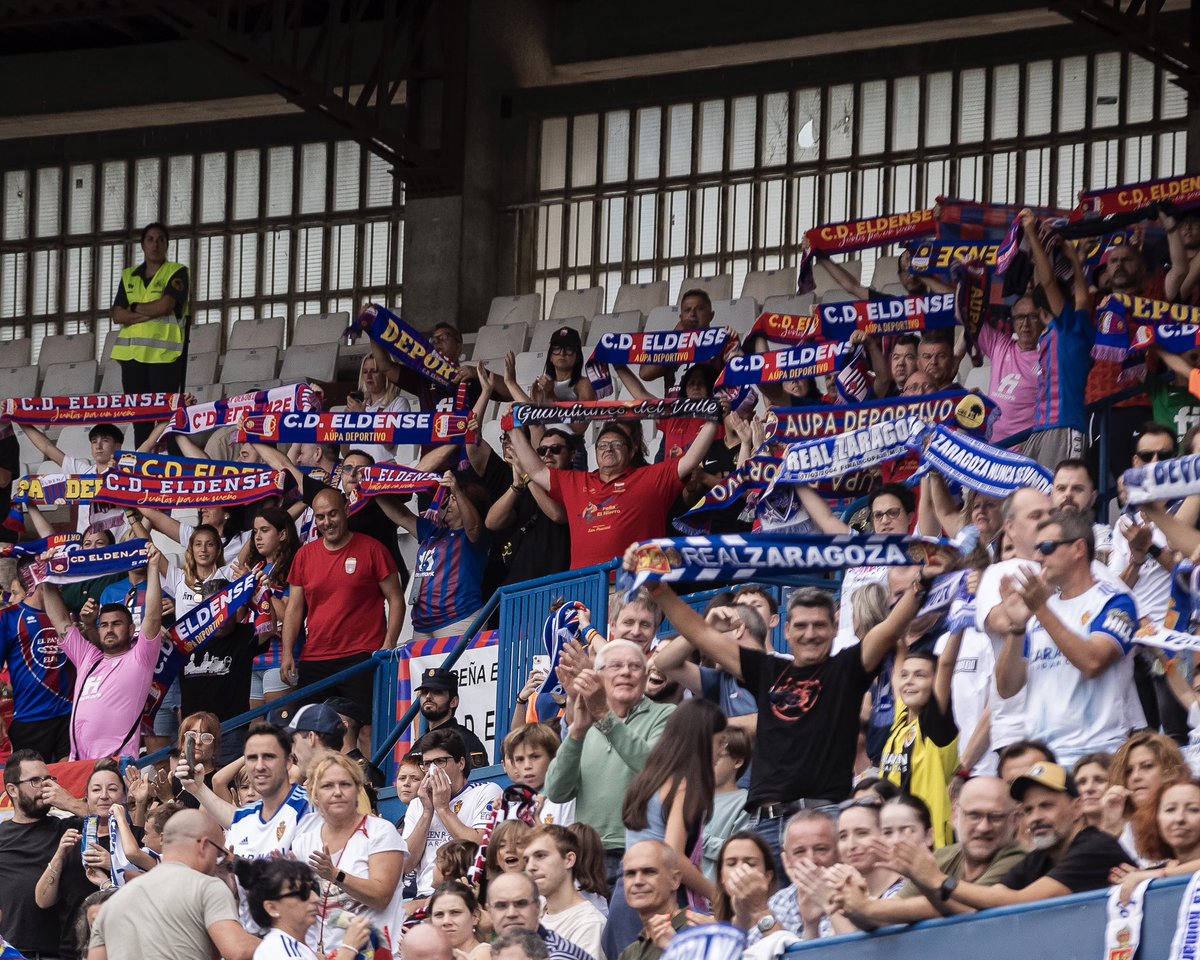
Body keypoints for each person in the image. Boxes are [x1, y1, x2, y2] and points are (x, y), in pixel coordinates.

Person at [634, 563, 921, 872]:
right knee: (761, 902)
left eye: (819, 625)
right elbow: (701, 634)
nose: (810, 634)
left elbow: (890, 628)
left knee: (826, 899)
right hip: (765, 824)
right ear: (786, 630)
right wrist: (657, 588)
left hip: (824, 818)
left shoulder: (847, 668)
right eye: (801, 626)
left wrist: (923, 582)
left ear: (834, 629)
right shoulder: (767, 670)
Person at [995, 510, 1140, 765]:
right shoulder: (1041, 609)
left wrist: (1040, 609)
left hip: (1097, 756)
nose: (1038, 557)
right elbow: (1006, 688)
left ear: (1078, 549)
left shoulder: (1115, 601)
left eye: (1047, 547)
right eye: (1036, 549)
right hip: (1043, 759)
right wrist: (1017, 627)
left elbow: (1092, 662)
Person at [542, 640, 674, 887]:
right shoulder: (586, 721)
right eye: (616, 666)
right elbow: (556, 791)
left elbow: (653, 769)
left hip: (640, 852)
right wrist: (577, 732)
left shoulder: (666, 714)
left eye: (635, 666)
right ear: (599, 677)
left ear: (646, 677)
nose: (626, 672)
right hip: (586, 854)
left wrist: (604, 715)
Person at [509, 418, 719, 570]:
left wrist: (712, 422)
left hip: (639, 584)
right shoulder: (576, 481)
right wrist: (513, 429)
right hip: (587, 586)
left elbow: (690, 460)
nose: (608, 449)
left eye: (616, 445)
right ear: (595, 452)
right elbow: (536, 471)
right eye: (602, 445)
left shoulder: (650, 477)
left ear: (631, 452)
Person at [282, 488, 404, 729]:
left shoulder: (373, 549)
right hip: (315, 656)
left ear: (347, 510)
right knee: (311, 731)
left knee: (367, 729)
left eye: (332, 514)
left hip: (362, 654)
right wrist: (287, 653)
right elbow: (294, 608)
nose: (326, 522)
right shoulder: (304, 555)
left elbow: (396, 599)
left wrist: (389, 643)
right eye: (320, 517)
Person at [933, 762, 1128, 911]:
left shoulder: (1095, 848)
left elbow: (1019, 901)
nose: (1035, 818)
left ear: (1077, 808)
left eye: (1046, 806)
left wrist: (939, 880)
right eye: (1028, 810)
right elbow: (992, 896)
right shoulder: (1039, 858)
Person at [840, 777, 1025, 929]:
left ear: (1015, 820)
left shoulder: (1018, 858)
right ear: (955, 815)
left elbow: (967, 909)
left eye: (996, 817)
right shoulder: (943, 857)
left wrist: (867, 906)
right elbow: (885, 918)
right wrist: (849, 906)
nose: (984, 827)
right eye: (974, 815)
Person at [41, 543, 164, 760]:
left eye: (117, 624)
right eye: (104, 624)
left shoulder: (140, 658)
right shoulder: (88, 657)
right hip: (79, 763)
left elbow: (153, 617)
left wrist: (153, 567)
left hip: (117, 763)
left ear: (131, 629)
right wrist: (47, 576)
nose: (109, 629)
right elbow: (60, 620)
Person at [86, 808, 259, 960]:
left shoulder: (111, 905)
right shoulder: (207, 887)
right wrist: (275, 941)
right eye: (219, 853)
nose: (218, 862)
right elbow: (238, 951)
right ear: (204, 845)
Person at [289, 753, 406, 955]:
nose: (337, 792)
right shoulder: (304, 840)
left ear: (358, 789)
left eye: (345, 784)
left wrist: (335, 875)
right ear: (314, 794)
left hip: (375, 954)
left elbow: (381, 897)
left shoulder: (380, 831)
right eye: (327, 786)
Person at [0, 750, 93, 959]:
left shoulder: (67, 827)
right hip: (10, 952)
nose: (45, 787)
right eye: (35, 781)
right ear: (12, 790)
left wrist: (70, 803)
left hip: (60, 953)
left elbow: (111, 827)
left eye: (48, 779)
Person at [110, 222, 190, 447]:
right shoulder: (129, 276)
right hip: (132, 358)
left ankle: (172, 463)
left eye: (160, 240)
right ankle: (143, 462)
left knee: (167, 417)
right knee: (140, 419)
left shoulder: (176, 272)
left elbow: (165, 306)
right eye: (150, 239)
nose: (155, 244)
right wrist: (148, 311)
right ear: (143, 245)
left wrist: (134, 308)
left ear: (167, 244)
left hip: (164, 357)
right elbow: (117, 315)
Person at [402, 728, 502, 897]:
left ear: (461, 763)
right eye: (427, 764)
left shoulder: (486, 792)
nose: (432, 770)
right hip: (425, 893)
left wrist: (443, 809)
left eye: (440, 761)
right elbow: (406, 864)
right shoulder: (418, 803)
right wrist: (427, 812)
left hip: (467, 891)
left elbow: (479, 849)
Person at [0, 574, 73, 761]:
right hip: (30, 717)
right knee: (33, 777)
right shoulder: (7, 617)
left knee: (69, 774)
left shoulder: (67, 614)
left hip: (69, 714)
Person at [244, 858, 372, 960]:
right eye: (303, 892)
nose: (315, 898)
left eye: (314, 888)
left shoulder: (294, 947)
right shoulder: (276, 951)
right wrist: (348, 949)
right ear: (272, 908)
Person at [523, 825, 607, 960]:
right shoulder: (533, 913)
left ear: (569, 860)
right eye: (526, 860)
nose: (530, 867)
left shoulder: (589, 924)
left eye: (540, 856)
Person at [485, 872, 595, 960]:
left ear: (537, 907)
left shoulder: (557, 956)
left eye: (521, 904)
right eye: (501, 906)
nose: (511, 913)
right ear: (489, 911)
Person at [617, 841, 690, 960]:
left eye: (649, 872)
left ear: (675, 880)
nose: (638, 881)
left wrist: (675, 948)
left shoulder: (700, 930)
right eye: (630, 874)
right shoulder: (629, 953)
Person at [415, 667, 489, 767]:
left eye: (437, 692)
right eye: (424, 692)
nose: (428, 696)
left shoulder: (465, 740)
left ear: (453, 702)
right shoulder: (418, 744)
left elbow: (477, 777)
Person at [708, 832, 777, 932]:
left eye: (751, 864)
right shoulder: (710, 919)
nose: (740, 869)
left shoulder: (783, 910)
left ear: (767, 877)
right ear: (721, 876)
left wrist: (761, 910)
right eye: (731, 863)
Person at [428, 881, 491, 960]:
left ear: (475, 916)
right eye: (439, 914)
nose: (446, 921)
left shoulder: (485, 953)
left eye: (455, 912)